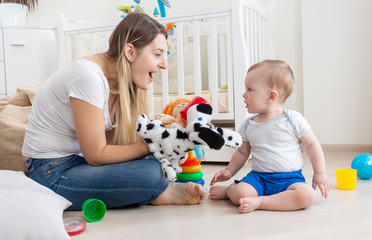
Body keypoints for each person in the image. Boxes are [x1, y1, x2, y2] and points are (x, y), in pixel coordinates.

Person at [22, 12, 206, 210]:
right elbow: (96, 155)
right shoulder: (88, 76)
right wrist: (155, 146)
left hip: (76, 164)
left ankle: (155, 190)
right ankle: (160, 193)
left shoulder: (119, 84)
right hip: (48, 173)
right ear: (130, 52)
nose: (164, 64)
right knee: (152, 174)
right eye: (157, 54)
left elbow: (109, 150)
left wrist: (165, 148)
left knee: (155, 165)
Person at [208, 60, 329, 214]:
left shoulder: (293, 119)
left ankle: (260, 202)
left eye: (250, 89)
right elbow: (242, 152)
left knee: (307, 195)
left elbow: (312, 145)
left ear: (271, 96)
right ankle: (229, 191)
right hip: (259, 178)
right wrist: (229, 171)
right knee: (241, 193)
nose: (244, 94)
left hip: (290, 180)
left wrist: (320, 173)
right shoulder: (248, 125)